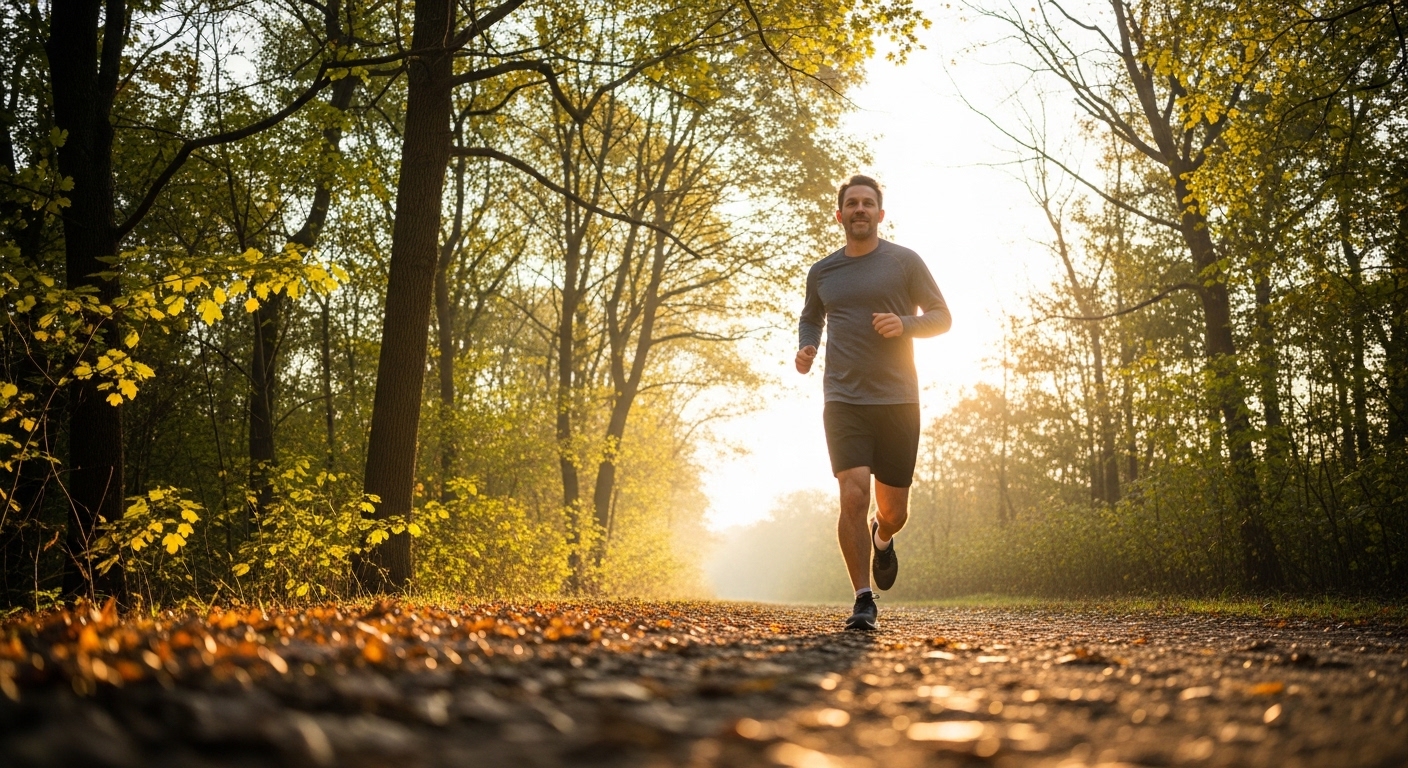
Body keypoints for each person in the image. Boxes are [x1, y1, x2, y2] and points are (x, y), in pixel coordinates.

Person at [796, 175, 951, 631]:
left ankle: (882, 539)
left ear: (880, 215)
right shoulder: (823, 271)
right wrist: (807, 347)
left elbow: (942, 317)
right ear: (839, 214)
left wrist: (904, 324)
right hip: (842, 398)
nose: (860, 209)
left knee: (893, 512)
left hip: (898, 399)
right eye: (852, 203)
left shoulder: (904, 263)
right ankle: (863, 599)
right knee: (852, 493)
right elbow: (811, 317)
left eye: (868, 204)